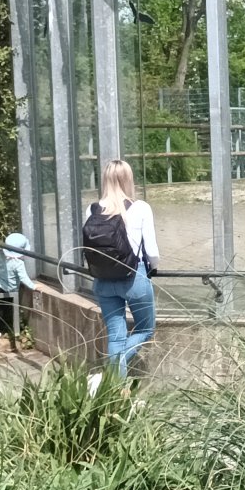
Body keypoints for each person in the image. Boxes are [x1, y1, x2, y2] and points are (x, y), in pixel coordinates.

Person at [82, 160, 160, 391]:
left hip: (103, 281)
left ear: (105, 179)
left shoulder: (92, 209)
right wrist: (153, 267)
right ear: (128, 179)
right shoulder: (140, 207)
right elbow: (153, 253)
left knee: (116, 336)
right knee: (145, 328)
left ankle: (113, 389)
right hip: (134, 279)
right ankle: (113, 378)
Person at [0, 232, 38, 347]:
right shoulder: (18, 263)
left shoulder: (3, 255)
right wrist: (34, 286)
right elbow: (24, 278)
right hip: (7, 290)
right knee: (2, 308)